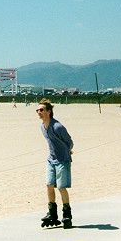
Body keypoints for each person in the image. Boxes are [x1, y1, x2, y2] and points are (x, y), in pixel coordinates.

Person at [36, 98, 74, 229]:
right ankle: (52, 213)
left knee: (61, 187)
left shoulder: (57, 126)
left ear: (49, 111)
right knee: (49, 185)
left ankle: (67, 214)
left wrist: (68, 152)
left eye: (41, 110)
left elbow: (69, 142)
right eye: (37, 110)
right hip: (51, 159)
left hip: (62, 160)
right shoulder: (42, 126)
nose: (39, 112)